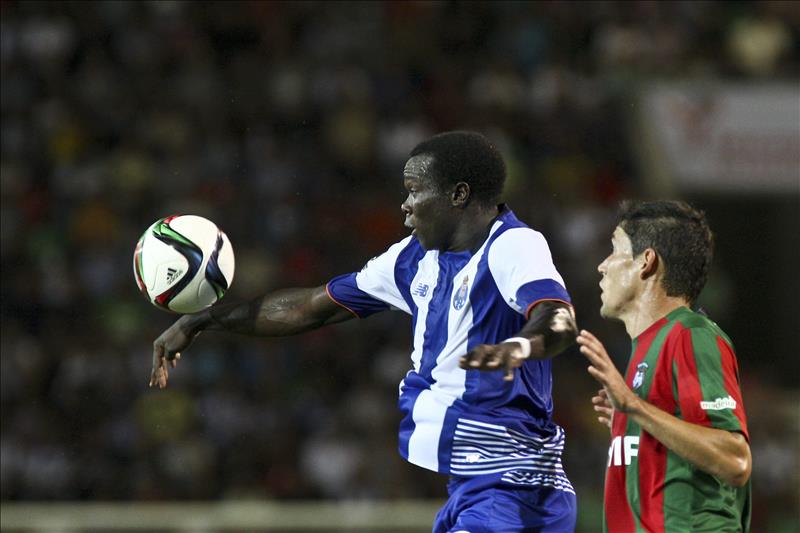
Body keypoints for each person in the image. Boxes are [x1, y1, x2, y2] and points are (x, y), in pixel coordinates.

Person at [150, 131, 578, 532]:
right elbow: (308, 308)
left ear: (458, 194)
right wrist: (204, 319)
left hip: (516, 488)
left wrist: (520, 346)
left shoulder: (511, 245)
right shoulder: (412, 260)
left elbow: (558, 317)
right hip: (473, 488)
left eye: (414, 191)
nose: (405, 205)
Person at [576, 200, 751, 532]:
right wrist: (637, 425)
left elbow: (735, 460)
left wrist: (633, 407)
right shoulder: (647, 349)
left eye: (614, 251)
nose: (602, 266)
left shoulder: (690, 335)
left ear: (646, 262)